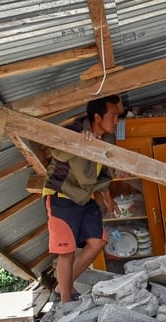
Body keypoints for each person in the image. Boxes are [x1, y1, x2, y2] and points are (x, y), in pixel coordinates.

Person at [42, 95, 121, 302]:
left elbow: (104, 171)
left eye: (117, 117)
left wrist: (107, 196)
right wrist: (78, 141)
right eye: (113, 116)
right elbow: (57, 152)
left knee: (97, 241)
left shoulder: (108, 139)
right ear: (97, 117)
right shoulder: (75, 130)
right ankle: (65, 302)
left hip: (84, 198)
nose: (116, 121)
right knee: (66, 252)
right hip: (61, 196)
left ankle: (61, 289)